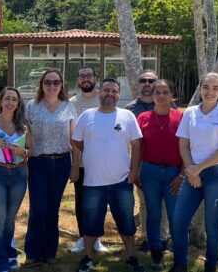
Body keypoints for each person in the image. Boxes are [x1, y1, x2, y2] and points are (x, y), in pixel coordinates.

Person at [72, 78, 144, 272]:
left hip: (121, 181)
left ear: (118, 95)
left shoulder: (127, 116)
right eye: (106, 90)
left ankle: (130, 256)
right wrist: (92, 152)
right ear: (99, 92)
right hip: (93, 182)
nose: (110, 94)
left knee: (126, 222)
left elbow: (136, 144)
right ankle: (87, 257)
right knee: (90, 223)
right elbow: (77, 141)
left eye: (114, 91)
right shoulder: (87, 116)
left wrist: (134, 171)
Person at [170, 72, 218, 272]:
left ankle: (211, 265)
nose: (210, 92)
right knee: (179, 221)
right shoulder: (190, 112)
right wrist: (192, 171)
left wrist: (197, 170)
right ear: (200, 89)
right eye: (206, 87)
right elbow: (183, 145)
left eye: (215, 88)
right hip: (193, 174)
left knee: (212, 225)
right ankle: (179, 265)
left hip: (217, 175)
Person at [24, 68, 78, 267]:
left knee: (53, 209)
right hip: (38, 162)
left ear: (61, 85)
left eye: (56, 82)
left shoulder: (68, 107)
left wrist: (75, 165)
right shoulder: (31, 106)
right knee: (38, 208)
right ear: (42, 84)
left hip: (62, 162)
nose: (52, 86)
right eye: (48, 82)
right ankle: (32, 252)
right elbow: (24, 136)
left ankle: (49, 252)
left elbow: (74, 139)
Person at [0, 87, 31, 272]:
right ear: (0, 102)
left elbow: (30, 151)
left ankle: (8, 253)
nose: (10, 103)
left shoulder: (23, 126)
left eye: (14, 100)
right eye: (7, 99)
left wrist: (22, 152)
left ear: (18, 104)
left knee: (10, 218)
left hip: (18, 174)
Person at [136, 79, 183, 271]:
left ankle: (180, 258)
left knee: (175, 216)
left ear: (172, 95)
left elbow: (187, 148)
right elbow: (138, 148)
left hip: (173, 173)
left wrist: (181, 175)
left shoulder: (181, 118)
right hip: (150, 172)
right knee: (153, 213)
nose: (161, 96)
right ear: (152, 95)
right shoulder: (143, 118)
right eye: (158, 92)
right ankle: (156, 253)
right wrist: (136, 171)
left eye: (165, 92)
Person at [124, 70, 169, 252]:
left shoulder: (167, 107)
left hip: (165, 163)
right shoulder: (129, 110)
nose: (147, 84)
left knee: (163, 203)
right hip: (141, 164)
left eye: (152, 81)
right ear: (138, 84)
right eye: (143, 80)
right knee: (144, 203)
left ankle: (163, 237)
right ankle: (147, 238)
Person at [68, 67, 108, 254]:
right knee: (81, 201)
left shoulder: (103, 99)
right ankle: (83, 237)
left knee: (99, 202)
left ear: (95, 78)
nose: (85, 79)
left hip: (102, 162)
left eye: (89, 75)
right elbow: (73, 136)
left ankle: (97, 238)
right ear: (78, 80)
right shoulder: (72, 103)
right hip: (82, 163)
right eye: (82, 76)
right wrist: (75, 165)